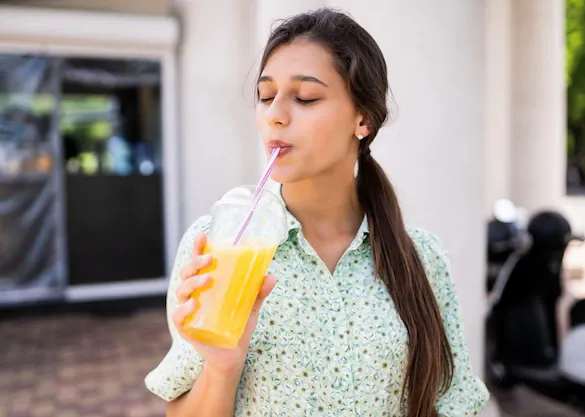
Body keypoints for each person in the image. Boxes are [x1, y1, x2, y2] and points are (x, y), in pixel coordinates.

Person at [145, 8, 490, 417]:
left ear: (362, 118)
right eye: (266, 95)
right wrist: (222, 368)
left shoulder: (421, 256)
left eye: (305, 97)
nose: (275, 114)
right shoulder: (217, 243)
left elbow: (451, 405)